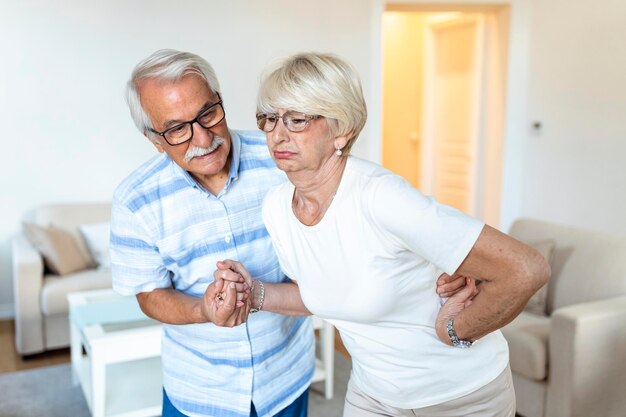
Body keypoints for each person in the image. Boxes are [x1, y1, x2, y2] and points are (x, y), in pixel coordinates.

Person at [224, 52, 550, 417]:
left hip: (459, 396)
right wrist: (252, 294)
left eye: (297, 119)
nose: (277, 134)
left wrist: (455, 330)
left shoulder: (381, 197)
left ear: (342, 129)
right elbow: (321, 293)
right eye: (268, 119)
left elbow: (525, 269)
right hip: (372, 393)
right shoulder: (277, 207)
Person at [109, 49, 316, 417]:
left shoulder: (279, 161)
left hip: (284, 377)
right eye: (176, 129)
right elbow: (149, 294)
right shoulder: (134, 201)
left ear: (220, 101)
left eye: (207, 114)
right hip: (198, 391)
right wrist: (202, 309)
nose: (203, 139)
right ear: (154, 139)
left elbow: (323, 259)